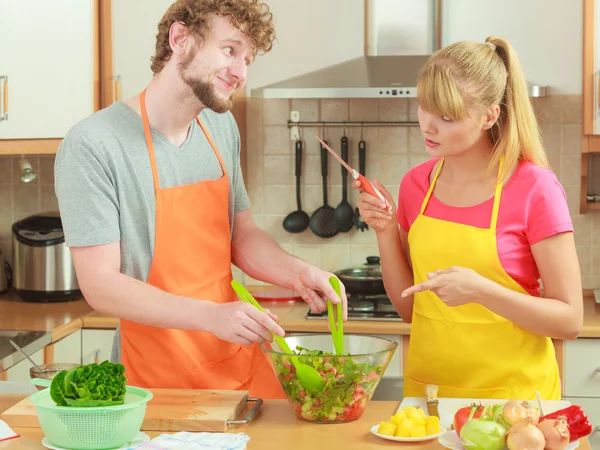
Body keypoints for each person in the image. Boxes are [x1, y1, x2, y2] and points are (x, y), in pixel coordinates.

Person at [54, 0, 347, 399]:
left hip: (234, 365)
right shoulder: (94, 144)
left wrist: (299, 273)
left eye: (248, 59)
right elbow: (101, 285)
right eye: (230, 50)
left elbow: (241, 237)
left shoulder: (220, 126)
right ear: (180, 39)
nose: (241, 72)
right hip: (157, 382)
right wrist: (212, 317)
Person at [354, 37, 583, 401]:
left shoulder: (534, 188)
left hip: (514, 403)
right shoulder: (418, 184)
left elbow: (570, 321)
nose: (429, 126)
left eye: (447, 116)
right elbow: (410, 308)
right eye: (424, 108)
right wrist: (384, 230)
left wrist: (482, 291)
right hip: (429, 398)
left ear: (490, 115)